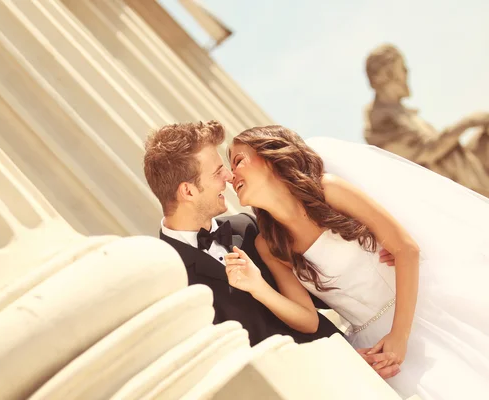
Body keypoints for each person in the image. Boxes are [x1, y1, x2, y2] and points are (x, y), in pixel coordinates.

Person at [225, 125, 489, 399]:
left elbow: (406, 249)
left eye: (238, 161)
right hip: (375, 348)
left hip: (422, 312)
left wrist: (399, 336)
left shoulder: (328, 190)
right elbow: (308, 320)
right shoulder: (268, 244)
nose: (231, 176)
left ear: (270, 157)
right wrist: (258, 287)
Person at [142, 121, 399, 378]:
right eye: (218, 171)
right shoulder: (171, 284)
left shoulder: (248, 227)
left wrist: (374, 247)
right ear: (187, 191)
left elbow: (326, 290)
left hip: (363, 369)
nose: (229, 177)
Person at [363, 44, 489, 197]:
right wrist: (468, 122)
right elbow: (427, 152)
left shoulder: (402, 113)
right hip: (456, 189)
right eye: (402, 68)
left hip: (467, 172)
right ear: (387, 74)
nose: (407, 72)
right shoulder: (381, 120)